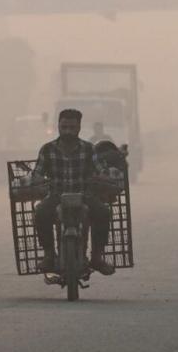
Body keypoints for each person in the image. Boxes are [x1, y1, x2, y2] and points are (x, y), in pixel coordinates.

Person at [31, 109, 115, 275]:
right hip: (56, 196)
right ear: (58, 127)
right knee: (40, 212)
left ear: (79, 128)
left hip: (84, 195)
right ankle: (49, 255)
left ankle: (97, 257)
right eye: (64, 127)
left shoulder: (89, 149)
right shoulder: (47, 149)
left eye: (72, 127)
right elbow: (37, 173)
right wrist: (36, 180)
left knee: (104, 212)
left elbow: (101, 170)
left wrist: (104, 177)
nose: (68, 131)